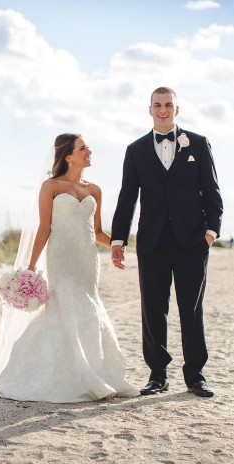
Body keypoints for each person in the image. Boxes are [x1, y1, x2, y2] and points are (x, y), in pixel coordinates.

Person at [0, 134, 138, 402]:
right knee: (63, 307)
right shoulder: (50, 186)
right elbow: (44, 228)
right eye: (83, 148)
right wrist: (30, 265)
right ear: (68, 156)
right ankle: (44, 373)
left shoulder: (94, 190)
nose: (89, 151)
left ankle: (91, 371)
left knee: (87, 308)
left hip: (87, 260)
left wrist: (117, 246)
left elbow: (95, 231)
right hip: (60, 259)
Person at [111, 87, 223, 398]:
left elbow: (212, 192)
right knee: (153, 309)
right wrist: (118, 239)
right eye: (157, 105)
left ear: (177, 109)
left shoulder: (198, 144)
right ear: (149, 110)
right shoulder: (135, 150)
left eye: (168, 105)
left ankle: (196, 375)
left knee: (192, 309)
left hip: (192, 242)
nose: (163, 110)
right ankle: (157, 375)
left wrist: (211, 233)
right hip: (152, 242)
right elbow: (127, 198)